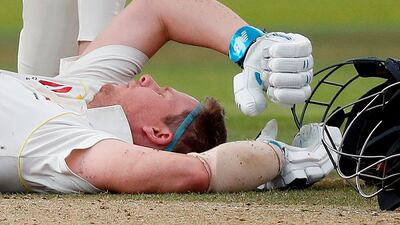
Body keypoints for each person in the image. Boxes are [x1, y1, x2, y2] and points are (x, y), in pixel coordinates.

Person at [0, 0, 320, 194]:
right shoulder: (91, 92)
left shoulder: (62, 138)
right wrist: (250, 45)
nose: (147, 78)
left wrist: (277, 158)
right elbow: (158, 8)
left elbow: (195, 173)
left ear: (158, 133)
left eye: (161, 91)